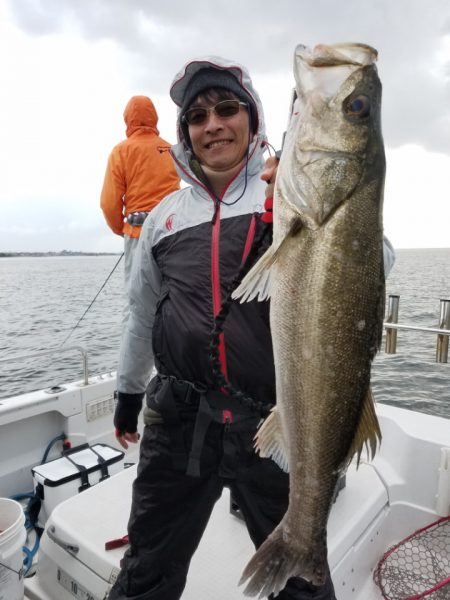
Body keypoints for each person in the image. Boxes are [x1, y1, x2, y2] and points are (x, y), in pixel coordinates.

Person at [108, 55, 341, 600]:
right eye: (197, 116)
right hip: (178, 420)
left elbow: (374, 260)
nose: (212, 124)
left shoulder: (289, 196)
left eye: (227, 108)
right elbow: (142, 312)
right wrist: (126, 389)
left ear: (252, 120)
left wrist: (318, 196)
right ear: (184, 134)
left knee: (301, 579)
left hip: (271, 419)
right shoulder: (164, 217)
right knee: (147, 566)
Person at [100, 95, 180, 316]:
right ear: (154, 118)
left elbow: (109, 203)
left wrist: (122, 229)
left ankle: (137, 349)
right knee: (173, 296)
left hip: (137, 233)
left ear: (128, 120)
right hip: (172, 231)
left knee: (137, 302)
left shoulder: (121, 151)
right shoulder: (170, 150)